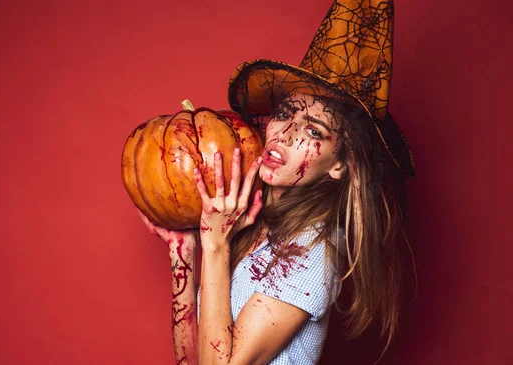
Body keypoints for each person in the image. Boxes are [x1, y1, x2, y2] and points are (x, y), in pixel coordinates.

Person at [138, 0, 415, 364]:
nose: (284, 133)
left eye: (313, 130)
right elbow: (193, 360)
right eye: (285, 113)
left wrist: (216, 248)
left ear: (339, 167)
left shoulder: (313, 250)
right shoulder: (249, 222)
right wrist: (183, 253)